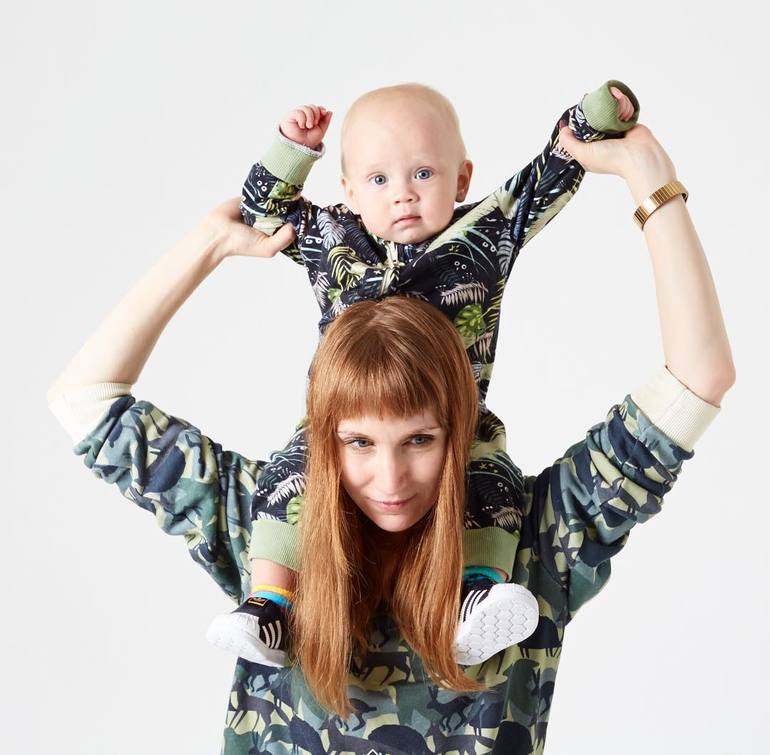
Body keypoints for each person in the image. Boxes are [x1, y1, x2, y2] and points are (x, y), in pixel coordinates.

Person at [47, 116, 734, 753]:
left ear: (460, 430)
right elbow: (84, 402)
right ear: (324, 439)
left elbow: (698, 379)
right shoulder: (269, 523)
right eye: (359, 443)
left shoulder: (535, 539)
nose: (390, 478)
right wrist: (209, 242)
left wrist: (651, 179)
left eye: (419, 440)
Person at [207, 78, 641, 667]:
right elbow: (263, 213)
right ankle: (270, 606)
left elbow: (551, 172)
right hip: (347, 420)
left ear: (461, 180)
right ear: (349, 191)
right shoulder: (332, 237)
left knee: (491, 478)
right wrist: (293, 150)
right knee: (291, 474)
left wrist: (598, 114)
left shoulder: (482, 235)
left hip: (449, 424)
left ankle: (474, 594)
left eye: (423, 174)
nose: (404, 195)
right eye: (379, 180)